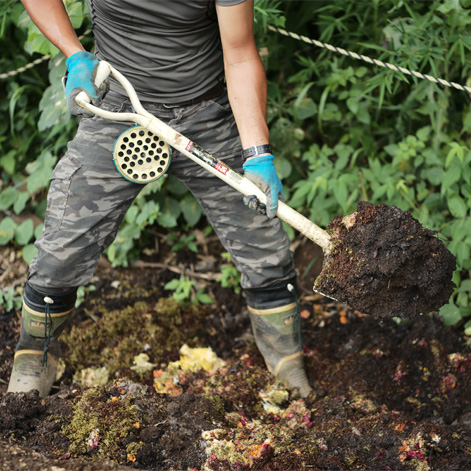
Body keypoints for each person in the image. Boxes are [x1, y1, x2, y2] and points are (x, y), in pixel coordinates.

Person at [8, 0, 312, 398]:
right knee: (62, 251)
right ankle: (35, 355)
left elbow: (239, 55)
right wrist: (74, 53)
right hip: (118, 107)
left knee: (264, 244)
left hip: (206, 112)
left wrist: (257, 154)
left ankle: (286, 360)